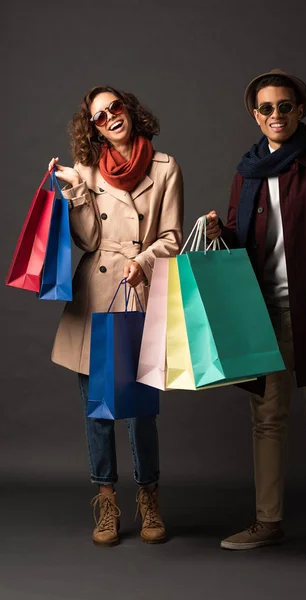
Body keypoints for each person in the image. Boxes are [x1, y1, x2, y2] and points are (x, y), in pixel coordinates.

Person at [206, 69, 306, 562]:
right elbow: (243, 244)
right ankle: (268, 521)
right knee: (266, 421)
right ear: (254, 114)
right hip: (262, 314)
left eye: (284, 106)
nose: (275, 115)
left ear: (301, 109)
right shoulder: (247, 171)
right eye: (265, 108)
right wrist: (220, 232)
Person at [49, 85, 183, 547]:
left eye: (115, 109)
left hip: (138, 290)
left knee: (141, 411)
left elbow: (171, 236)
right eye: (99, 117)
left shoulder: (165, 167)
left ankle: (149, 497)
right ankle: (107, 500)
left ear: (129, 110)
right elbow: (87, 241)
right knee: (97, 411)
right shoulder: (87, 168)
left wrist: (143, 262)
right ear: (94, 128)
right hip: (96, 293)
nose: (109, 119)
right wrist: (77, 191)